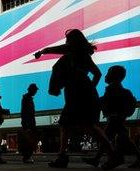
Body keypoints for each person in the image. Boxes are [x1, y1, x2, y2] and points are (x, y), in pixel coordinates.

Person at [34, 29, 119, 169]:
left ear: (72, 41)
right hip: (83, 95)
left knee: (68, 126)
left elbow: (56, 50)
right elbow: (97, 74)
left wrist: (43, 51)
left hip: (76, 96)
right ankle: (112, 155)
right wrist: (90, 88)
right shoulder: (83, 56)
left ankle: (63, 157)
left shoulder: (72, 53)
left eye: (68, 39)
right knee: (85, 127)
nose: (66, 42)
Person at [83, 65, 140, 168]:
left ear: (114, 76)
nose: (106, 75)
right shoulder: (115, 88)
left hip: (115, 118)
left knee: (107, 137)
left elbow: (105, 101)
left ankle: (110, 159)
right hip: (116, 118)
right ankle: (98, 159)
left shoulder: (113, 88)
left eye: (108, 73)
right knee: (115, 137)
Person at [19, 83, 39, 163]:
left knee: (30, 140)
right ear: (31, 90)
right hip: (28, 123)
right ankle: (27, 157)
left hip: (30, 122)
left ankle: (28, 156)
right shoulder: (26, 98)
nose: (35, 92)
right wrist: (26, 124)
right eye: (35, 90)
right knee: (28, 141)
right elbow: (24, 112)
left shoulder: (28, 98)